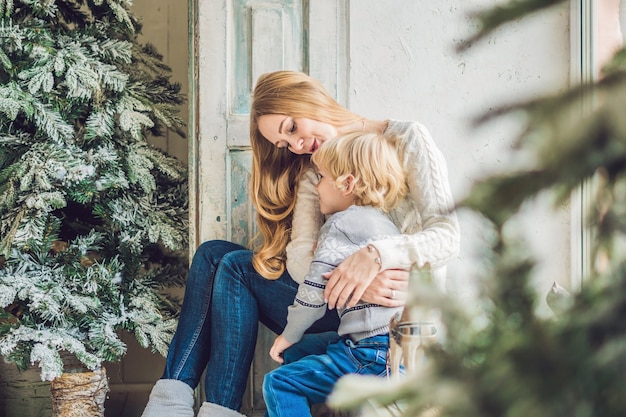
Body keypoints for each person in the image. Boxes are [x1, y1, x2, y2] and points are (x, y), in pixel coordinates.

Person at [141, 70, 460, 417]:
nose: (294, 146)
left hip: (397, 318)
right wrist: (351, 281)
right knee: (213, 255)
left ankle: (218, 410)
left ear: (308, 99)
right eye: (284, 144)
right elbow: (300, 260)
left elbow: (447, 235)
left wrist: (377, 257)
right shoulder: (315, 169)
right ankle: (169, 406)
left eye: (292, 128)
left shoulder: (406, 138)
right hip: (341, 303)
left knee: (232, 266)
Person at [263, 131, 408, 416]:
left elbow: (313, 293)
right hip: (395, 349)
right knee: (303, 351)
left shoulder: (341, 224)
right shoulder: (385, 225)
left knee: (279, 383)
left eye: (321, 177)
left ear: (347, 183)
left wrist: (288, 334)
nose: (316, 187)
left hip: (370, 354)